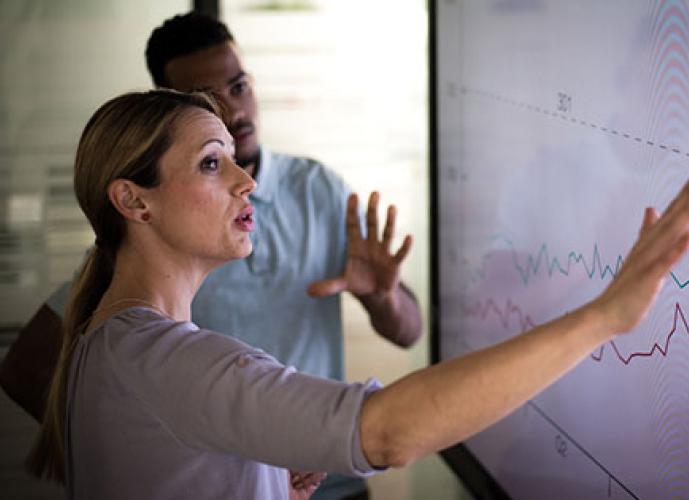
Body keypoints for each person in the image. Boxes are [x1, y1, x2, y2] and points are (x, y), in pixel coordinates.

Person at [26, 89, 689, 499]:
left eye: (234, 157)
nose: (247, 181)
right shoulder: (165, 359)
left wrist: (258, 485)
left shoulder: (108, 343)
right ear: (132, 202)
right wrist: (602, 319)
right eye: (211, 163)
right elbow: (387, 434)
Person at [0, 13, 421, 499]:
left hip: (316, 483)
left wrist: (382, 298)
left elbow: (408, 331)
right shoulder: (151, 316)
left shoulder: (317, 190)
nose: (236, 111)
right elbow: (388, 432)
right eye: (208, 161)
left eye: (240, 86)